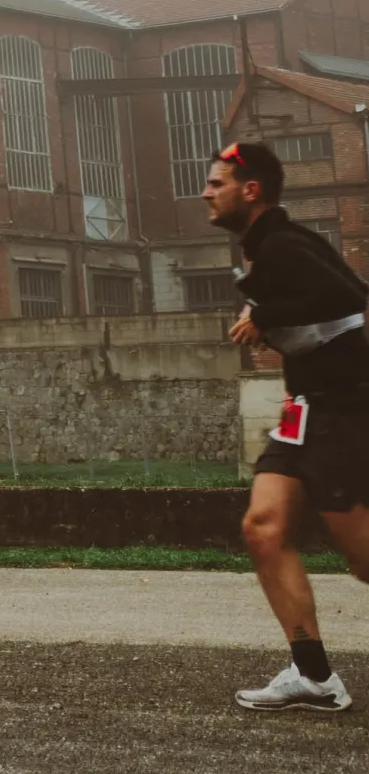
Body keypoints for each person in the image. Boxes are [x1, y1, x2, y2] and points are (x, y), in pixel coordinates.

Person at [218, 140, 369, 713]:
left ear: (249, 189)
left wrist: (264, 315)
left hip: (338, 413)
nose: (207, 193)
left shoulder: (282, 244)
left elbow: (347, 294)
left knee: (364, 562)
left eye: (216, 183)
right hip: (301, 411)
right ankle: (314, 678)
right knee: (262, 527)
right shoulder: (275, 245)